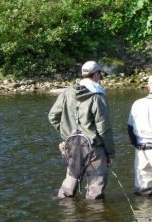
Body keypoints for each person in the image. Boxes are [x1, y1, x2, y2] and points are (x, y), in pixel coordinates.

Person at [48, 61, 115, 199]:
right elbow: (104, 129)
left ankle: (67, 215)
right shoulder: (98, 96)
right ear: (96, 75)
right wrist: (110, 153)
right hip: (94, 147)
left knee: (69, 184)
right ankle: (95, 218)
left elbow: (53, 116)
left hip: (71, 144)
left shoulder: (67, 92)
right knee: (96, 188)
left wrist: (66, 134)